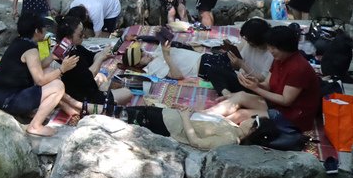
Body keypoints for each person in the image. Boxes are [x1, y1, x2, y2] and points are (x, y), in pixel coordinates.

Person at [210, 26, 323, 149]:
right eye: (270, 46)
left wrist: (256, 89)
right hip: (276, 104)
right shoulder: (278, 59)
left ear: (286, 47)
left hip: (293, 116)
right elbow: (268, 85)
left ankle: (213, 134)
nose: (270, 50)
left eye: (274, 48)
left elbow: (286, 101)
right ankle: (205, 117)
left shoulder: (299, 68)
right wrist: (256, 84)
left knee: (242, 114)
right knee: (241, 95)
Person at [0, 14, 81, 136]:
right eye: (44, 28)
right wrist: (62, 69)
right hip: (9, 100)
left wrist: (52, 56)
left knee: (49, 71)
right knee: (58, 86)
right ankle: (35, 126)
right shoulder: (31, 50)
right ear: (36, 31)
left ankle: (30, 112)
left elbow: (37, 66)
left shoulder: (20, 42)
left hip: (0, 96)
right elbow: (39, 80)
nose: (46, 31)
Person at [52, 15, 134, 110]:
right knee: (127, 93)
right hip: (85, 99)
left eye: (84, 31)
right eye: (80, 34)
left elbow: (91, 56)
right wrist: (100, 58)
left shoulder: (75, 48)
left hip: (86, 89)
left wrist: (104, 53)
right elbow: (89, 76)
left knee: (104, 78)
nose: (84, 35)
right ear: (68, 37)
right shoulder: (69, 57)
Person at [116, 105, 253, 150]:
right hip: (170, 115)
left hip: (169, 125)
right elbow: (205, 120)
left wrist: (185, 117)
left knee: (119, 115)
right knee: (123, 110)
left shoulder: (230, 140)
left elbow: (197, 142)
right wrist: (190, 111)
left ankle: (95, 110)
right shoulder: (233, 126)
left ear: (253, 129)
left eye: (254, 120)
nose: (250, 118)